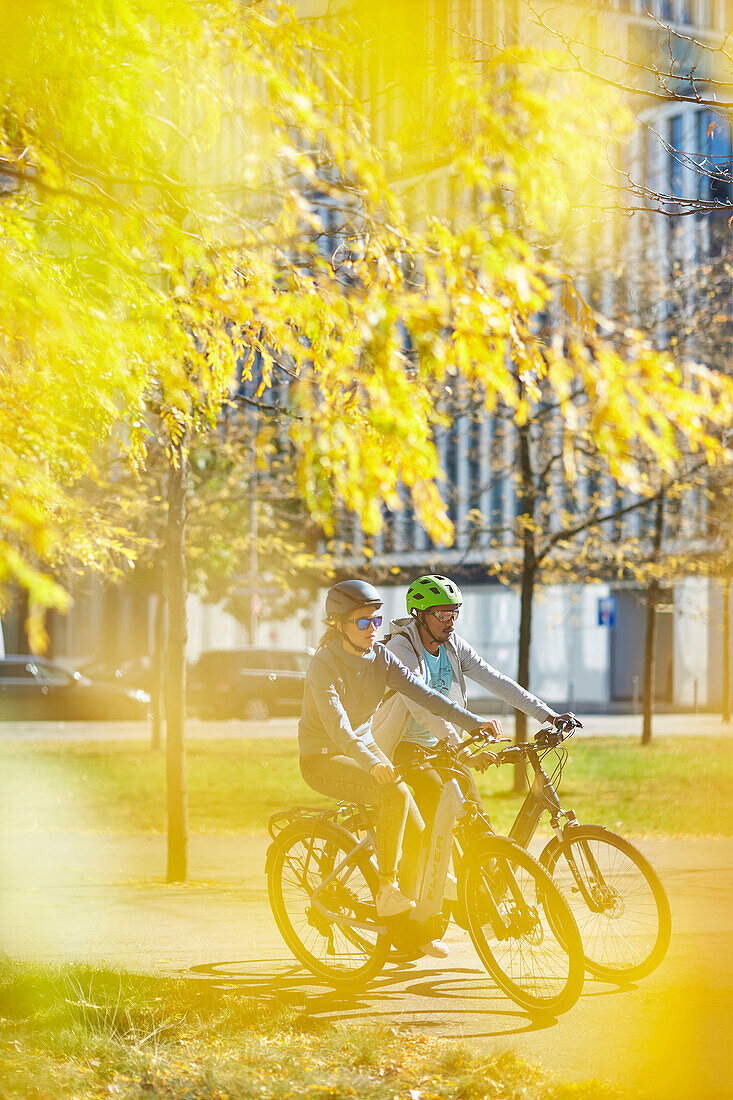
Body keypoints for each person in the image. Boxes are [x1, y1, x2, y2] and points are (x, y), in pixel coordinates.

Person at [298, 578, 499, 947]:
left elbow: (424, 694)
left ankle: (410, 930)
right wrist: (371, 762)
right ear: (338, 624)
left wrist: (473, 723)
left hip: (362, 749)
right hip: (324, 757)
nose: (373, 628)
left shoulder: (380, 657)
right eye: (362, 622)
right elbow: (339, 726)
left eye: (376, 620)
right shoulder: (323, 665)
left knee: (421, 838)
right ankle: (387, 889)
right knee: (394, 794)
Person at [372, 574, 581, 825]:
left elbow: (496, 680)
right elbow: (422, 708)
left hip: (443, 745)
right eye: (441, 615)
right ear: (420, 614)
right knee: (436, 806)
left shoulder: (453, 645)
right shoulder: (400, 648)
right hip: (404, 747)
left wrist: (548, 715)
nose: (450, 622)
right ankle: (412, 864)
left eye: (454, 614)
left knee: (476, 819)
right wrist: (466, 754)